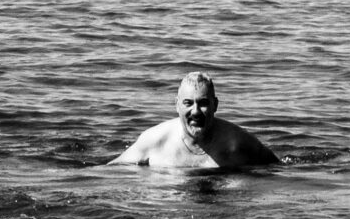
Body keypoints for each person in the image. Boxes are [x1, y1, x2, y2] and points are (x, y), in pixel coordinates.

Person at [110, 72, 280, 171]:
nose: (196, 111)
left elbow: (278, 169)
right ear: (177, 105)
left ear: (215, 105)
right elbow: (110, 171)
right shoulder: (154, 141)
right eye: (188, 103)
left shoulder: (239, 143)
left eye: (203, 103)